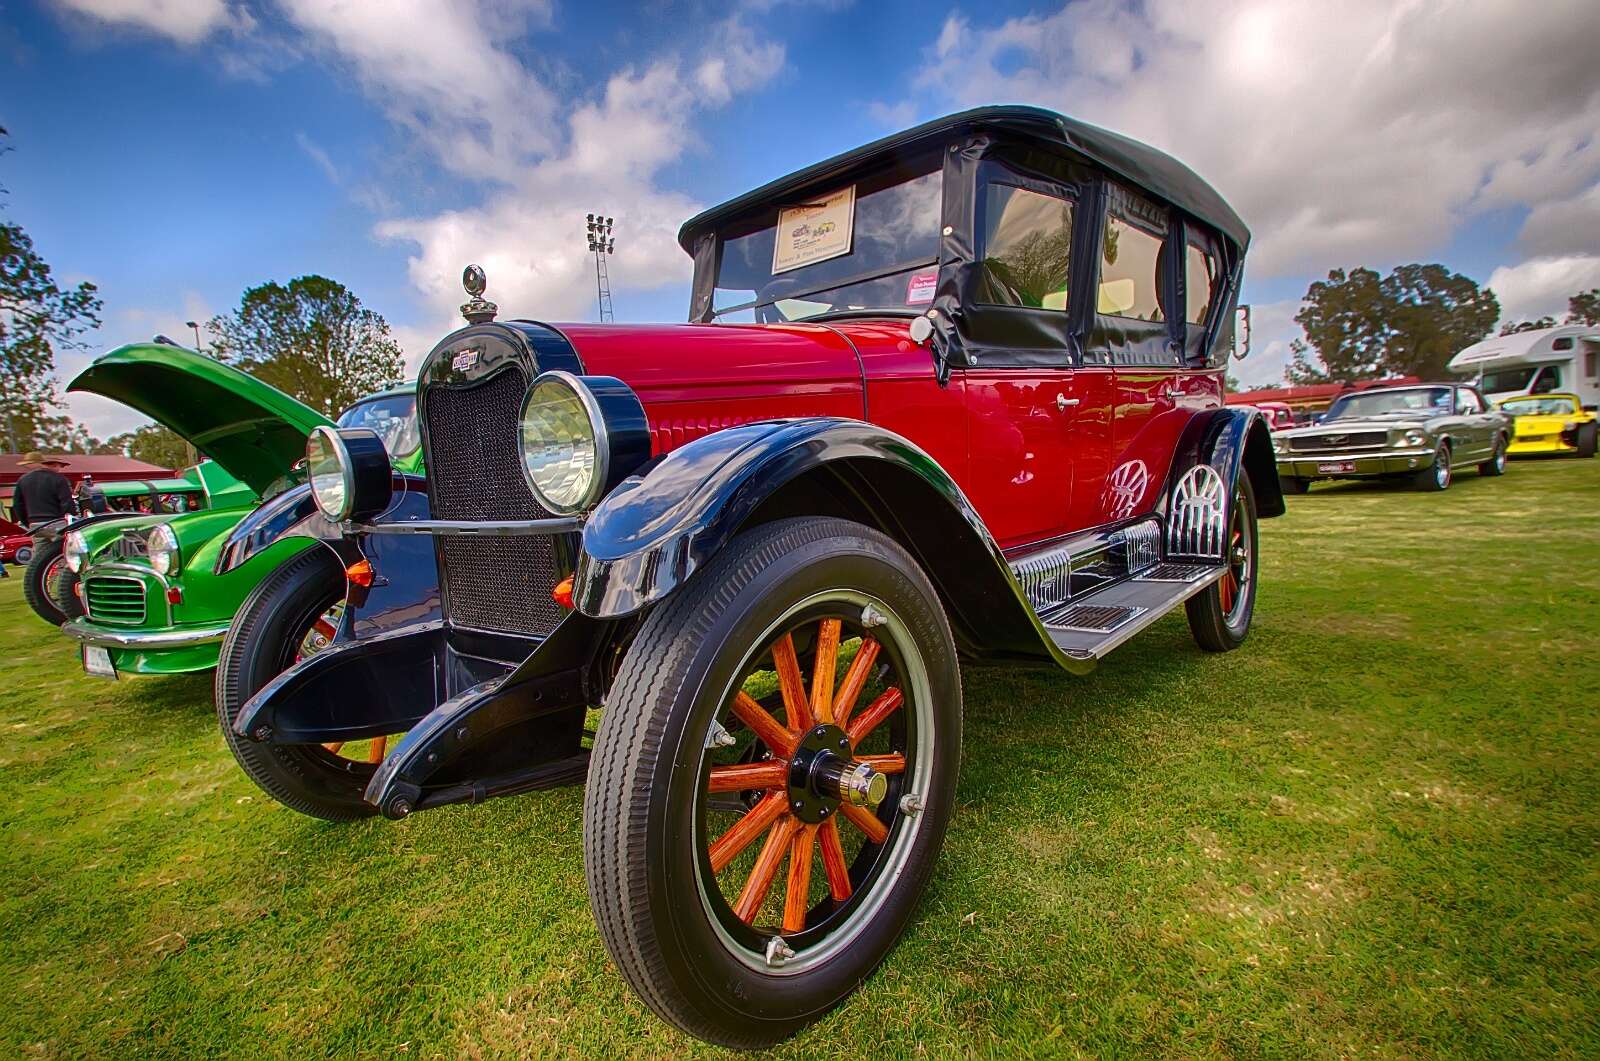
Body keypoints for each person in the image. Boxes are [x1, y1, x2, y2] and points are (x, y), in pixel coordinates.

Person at [11, 452, 77, 530]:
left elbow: (17, 505)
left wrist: (27, 523)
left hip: (35, 525)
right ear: (42, 463)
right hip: (57, 522)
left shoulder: (22, 480)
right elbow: (67, 503)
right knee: (62, 542)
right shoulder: (59, 478)